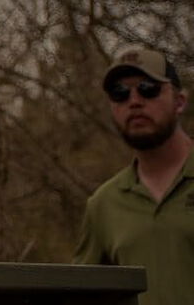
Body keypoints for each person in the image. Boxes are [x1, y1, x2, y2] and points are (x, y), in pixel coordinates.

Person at [73, 46, 192, 305]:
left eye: (148, 88)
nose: (134, 101)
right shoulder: (103, 204)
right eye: (120, 94)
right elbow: (82, 294)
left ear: (180, 101)